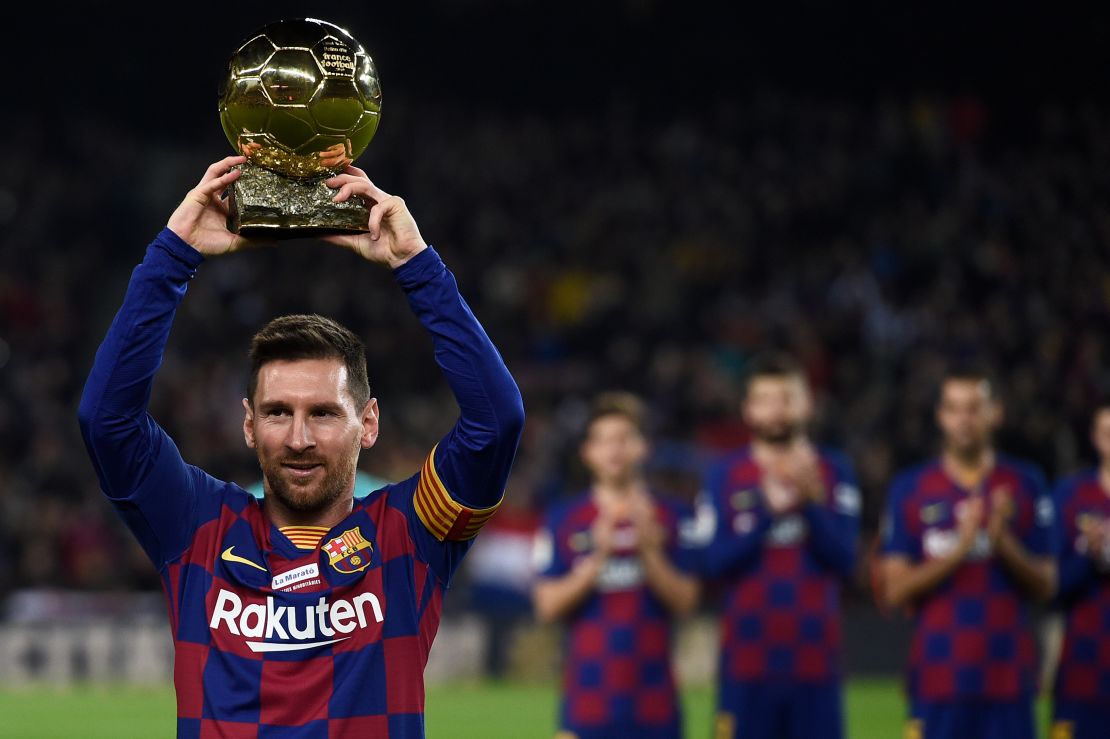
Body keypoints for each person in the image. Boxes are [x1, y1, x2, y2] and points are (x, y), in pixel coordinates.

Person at [77, 155, 525, 738]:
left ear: (368, 423)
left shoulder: (410, 534)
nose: (298, 438)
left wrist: (417, 266)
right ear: (247, 424)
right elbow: (106, 419)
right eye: (277, 413)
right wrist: (173, 254)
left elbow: (497, 422)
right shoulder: (195, 527)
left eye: (323, 413)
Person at [879, 365, 1056, 739]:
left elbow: (1047, 585)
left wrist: (1002, 541)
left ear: (996, 413)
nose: (964, 420)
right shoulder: (910, 488)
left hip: (1007, 678)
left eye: (974, 408)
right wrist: (960, 548)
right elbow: (894, 589)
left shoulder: (1026, 483)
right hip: (938, 678)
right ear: (941, 416)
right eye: (954, 409)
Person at [699, 352, 861, 739]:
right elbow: (712, 564)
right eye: (765, 400)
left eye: (786, 399)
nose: (776, 411)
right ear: (748, 410)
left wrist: (812, 505)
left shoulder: (834, 471)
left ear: (806, 404)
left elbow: (846, 560)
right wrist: (766, 514)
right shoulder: (724, 476)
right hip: (746, 665)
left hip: (815, 664)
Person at [532, 391, 700, 739]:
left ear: (643, 447)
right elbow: (546, 606)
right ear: (587, 452)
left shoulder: (674, 515)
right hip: (587, 704)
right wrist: (598, 557)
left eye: (624, 439)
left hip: (656, 705)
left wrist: (650, 551)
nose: (615, 450)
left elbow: (686, 602)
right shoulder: (563, 518)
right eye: (604, 441)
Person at [1050, 401, 1110, 739]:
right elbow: (1051, 584)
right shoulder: (1071, 496)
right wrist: (1091, 557)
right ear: (1095, 438)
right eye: (1107, 433)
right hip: (1083, 671)